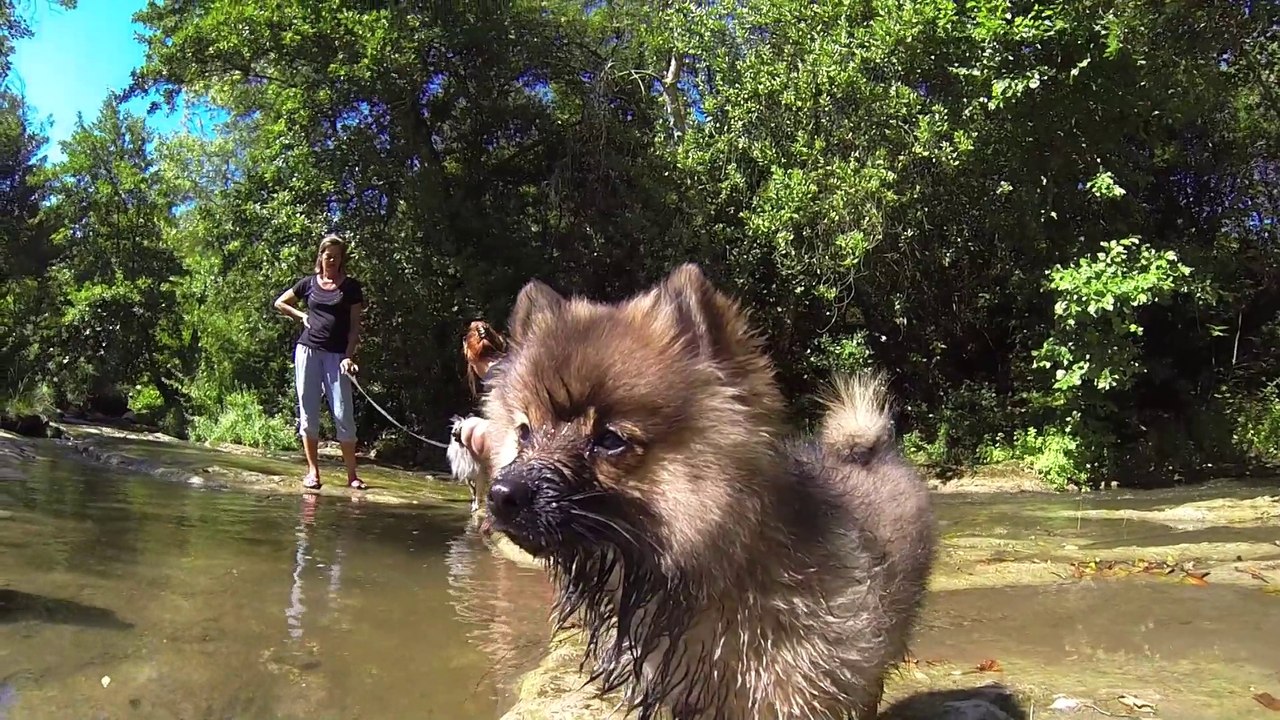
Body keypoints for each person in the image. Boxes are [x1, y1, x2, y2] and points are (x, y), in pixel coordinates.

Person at [273, 234, 367, 491]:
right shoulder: (309, 283)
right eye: (328, 256)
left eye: (337, 257)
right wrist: (301, 315)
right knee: (308, 411)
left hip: (337, 356)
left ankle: (352, 476)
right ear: (321, 257)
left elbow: (355, 327)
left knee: (343, 413)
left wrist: (349, 355)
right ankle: (313, 472)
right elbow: (279, 302)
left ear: (341, 259)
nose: (332, 261)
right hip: (308, 351)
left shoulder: (350, 287)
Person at [448, 320, 507, 515]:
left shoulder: (494, 377)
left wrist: (462, 430)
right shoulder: (510, 365)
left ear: (470, 356)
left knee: (466, 427)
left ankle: (479, 501)